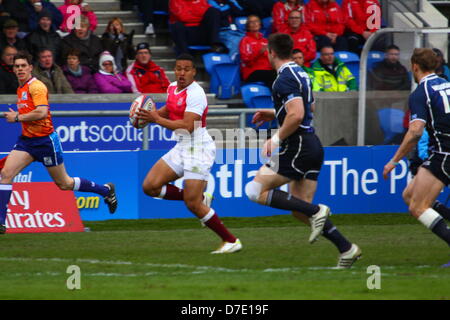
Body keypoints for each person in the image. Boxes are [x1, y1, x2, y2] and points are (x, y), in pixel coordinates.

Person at [247, 33, 361, 268]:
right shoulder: (301, 72)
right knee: (300, 211)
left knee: (254, 190)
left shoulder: (283, 79)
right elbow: (309, 107)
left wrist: (276, 138)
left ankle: (317, 210)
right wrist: (274, 112)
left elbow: (297, 114)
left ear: (271, 52)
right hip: (311, 144)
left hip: (297, 145)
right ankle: (347, 248)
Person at [134, 53, 242, 254]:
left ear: (194, 72)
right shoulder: (172, 87)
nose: (181, 73)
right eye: (178, 68)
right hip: (182, 147)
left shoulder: (196, 94)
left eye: (186, 69)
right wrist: (149, 115)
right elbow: (169, 109)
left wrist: (155, 119)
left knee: (192, 204)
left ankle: (231, 240)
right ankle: (201, 198)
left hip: (198, 148)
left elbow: (187, 126)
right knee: (150, 186)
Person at [0, 51, 117, 234]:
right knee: (6, 174)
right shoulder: (20, 88)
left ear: (30, 68)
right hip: (27, 142)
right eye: (17, 66)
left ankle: (105, 190)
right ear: (13, 69)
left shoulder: (36, 86)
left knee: (64, 183)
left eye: (23, 66)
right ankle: (1, 221)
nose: (20, 69)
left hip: (45, 141)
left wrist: (17, 117)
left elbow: (41, 112)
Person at [383, 48, 450, 266]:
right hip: (442, 152)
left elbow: (415, 131)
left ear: (414, 67)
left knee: (418, 207)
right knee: (409, 195)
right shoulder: (447, 83)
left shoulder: (421, 93)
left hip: (444, 153)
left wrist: (394, 160)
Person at [239, 14, 276, 88]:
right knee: (274, 76)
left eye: (256, 21)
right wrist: (259, 53)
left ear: (260, 23)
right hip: (252, 72)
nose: (254, 24)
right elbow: (246, 60)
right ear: (248, 26)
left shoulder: (265, 41)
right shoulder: (245, 40)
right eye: (251, 22)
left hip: (268, 70)